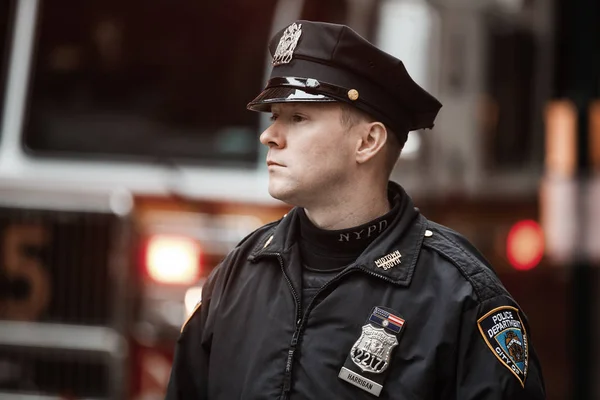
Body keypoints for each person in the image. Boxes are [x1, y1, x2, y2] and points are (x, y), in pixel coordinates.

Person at [165, 20, 546, 399]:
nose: (269, 136)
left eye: (297, 118)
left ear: (367, 141)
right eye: (273, 116)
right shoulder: (236, 274)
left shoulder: (460, 295)